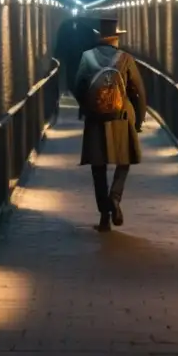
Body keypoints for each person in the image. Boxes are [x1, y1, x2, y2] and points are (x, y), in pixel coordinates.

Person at [74, 18, 146, 232]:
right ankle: (115, 198)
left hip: (96, 120)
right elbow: (138, 91)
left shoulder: (87, 57)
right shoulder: (125, 58)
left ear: (99, 36)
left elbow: (78, 86)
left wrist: (88, 107)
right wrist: (139, 120)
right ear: (116, 38)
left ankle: (104, 215)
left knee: (98, 168)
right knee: (125, 161)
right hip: (121, 118)